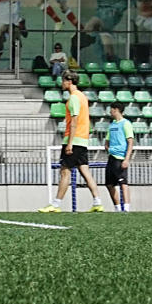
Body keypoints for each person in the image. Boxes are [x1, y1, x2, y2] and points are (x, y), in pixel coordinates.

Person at [39, 70, 104, 214]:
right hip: (82, 140)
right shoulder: (82, 97)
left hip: (74, 140)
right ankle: (97, 202)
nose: (61, 83)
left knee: (65, 172)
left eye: (63, 81)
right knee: (85, 171)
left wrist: (70, 143)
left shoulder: (74, 98)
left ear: (69, 81)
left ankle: (56, 204)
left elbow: (74, 121)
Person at [104, 101, 136, 212]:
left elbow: (130, 142)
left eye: (111, 109)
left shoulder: (125, 123)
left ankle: (126, 208)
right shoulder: (112, 125)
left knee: (123, 183)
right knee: (109, 184)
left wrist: (127, 159)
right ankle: (117, 208)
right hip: (111, 157)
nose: (110, 112)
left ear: (116, 109)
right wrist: (108, 149)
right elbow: (107, 141)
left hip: (121, 157)